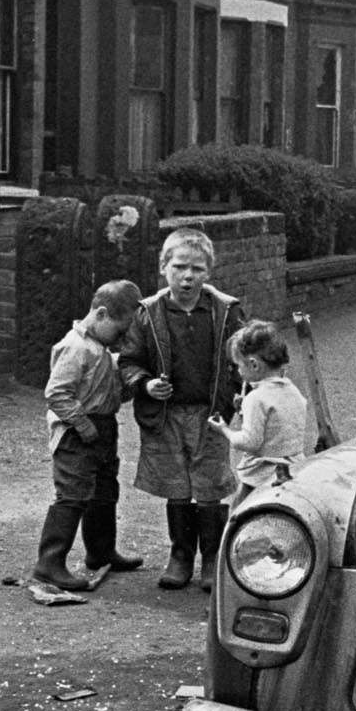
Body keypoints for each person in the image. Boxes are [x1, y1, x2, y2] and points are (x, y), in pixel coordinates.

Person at [123, 227, 247, 591]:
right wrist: (145, 384)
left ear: (209, 271)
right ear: (164, 267)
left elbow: (244, 357)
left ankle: (211, 558)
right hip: (166, 416)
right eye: (179, 267)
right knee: (176, 485)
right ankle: (180, 556)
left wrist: (240, 394)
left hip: (212, 414)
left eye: (196, 268)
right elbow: (130, 361)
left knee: (209, 485)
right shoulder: (149, 312)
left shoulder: (225, 311)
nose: (187, 276)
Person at [37, 277, 143, 592]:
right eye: (120, 331)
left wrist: (130, 385)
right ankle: (49, 563)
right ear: (99, 314)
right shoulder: (75, 347)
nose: (122, 340)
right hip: (76, 433)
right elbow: (56, 394)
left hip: (103, 428)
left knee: (104, 491)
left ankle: (100, 551)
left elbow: (111, 395)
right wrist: (83, 425)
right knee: (72, 495)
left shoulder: (101, 349)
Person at [223, 320, 314, 501]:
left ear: (254, 364)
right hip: (293, 472)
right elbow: (276, 427)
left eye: (238, 366)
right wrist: (243, 413)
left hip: (259, 479)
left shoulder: (255, 398)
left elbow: (250, 442)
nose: (238, 372)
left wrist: (224, 430)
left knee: (235, 520)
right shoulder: (293, 391)